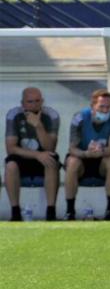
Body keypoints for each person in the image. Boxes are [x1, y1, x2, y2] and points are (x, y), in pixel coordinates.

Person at [4, 87, 60, 221]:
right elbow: (11, 148)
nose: (34, 105)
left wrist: (39, 126)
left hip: (44, 157)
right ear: (22, 103)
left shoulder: (52, 115)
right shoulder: (13, 115)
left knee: (51, 160)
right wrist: (37, 155)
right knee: (11, 164)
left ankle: (51, 212)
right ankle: (15, 213)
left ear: (42, 101)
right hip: (23, 157)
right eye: (30, 102)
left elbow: (50, 147)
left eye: (37, 101)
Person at [64, 88, 110, 221]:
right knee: (72, 162)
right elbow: (72, 149)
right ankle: (70, 211)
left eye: (108, 107)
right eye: (101, 106)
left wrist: (100, 152)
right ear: (92, 106)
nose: (105, 110)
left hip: (102, 160)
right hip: (83, 159)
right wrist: (86, 154)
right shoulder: (79, 118)